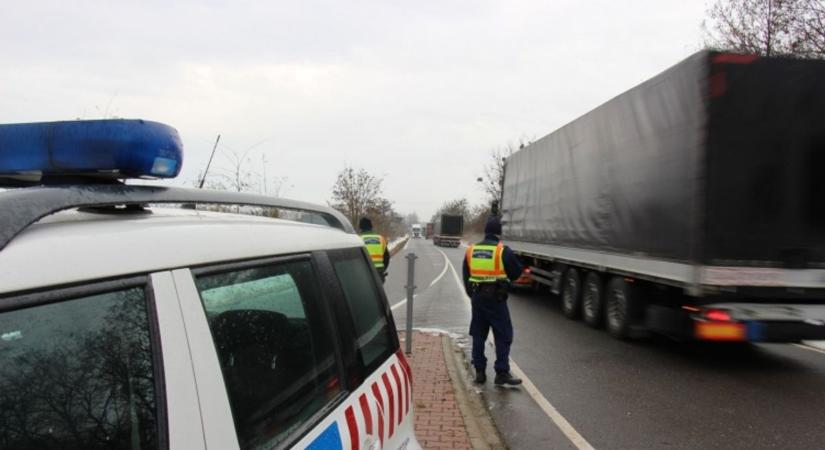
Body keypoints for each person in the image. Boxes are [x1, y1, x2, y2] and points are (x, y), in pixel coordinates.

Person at [462, 216, 524, 386]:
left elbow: (466, 276)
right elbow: (516, 274)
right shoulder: (503, 251)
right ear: (499, 233)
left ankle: (480, 372)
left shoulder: (471, 250)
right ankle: (502, 372)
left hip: (478, 299)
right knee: (503, 335)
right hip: (496, 300)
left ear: (486, 231)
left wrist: (473, 295)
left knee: (478, 334)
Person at [359, 217, 390, 282]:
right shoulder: (380, 238)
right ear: (371, 227)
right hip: (379, 271)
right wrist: (382, 270)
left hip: (364, 272)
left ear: (360, 228)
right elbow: (386, 257)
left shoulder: (358, 239)